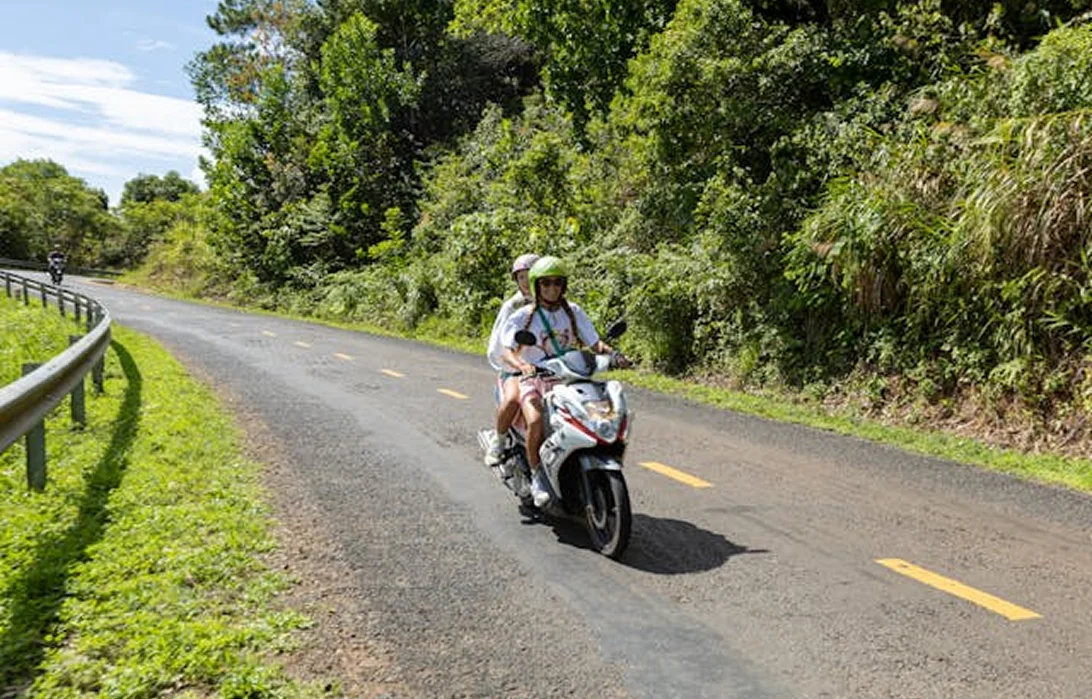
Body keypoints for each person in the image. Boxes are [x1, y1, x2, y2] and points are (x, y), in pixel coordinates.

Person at [500, 256, 622, 507]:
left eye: (557, 283)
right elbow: (506, 350)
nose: (552, 289)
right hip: (535, 379)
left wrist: (615, 356)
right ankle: (537, 476)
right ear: (537, 286)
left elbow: (594, 343)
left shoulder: (573, 312)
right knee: (535, 420)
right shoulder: (523, 316)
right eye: (546, 284)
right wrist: (523, 366)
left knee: (593, 416)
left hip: (569, 378)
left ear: (563, 286)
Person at [484, 253, 539, 470]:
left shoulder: (555, 303)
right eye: (521, 277)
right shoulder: (513, 307)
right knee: (513, 399)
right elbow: (500, 344)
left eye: (530, 276)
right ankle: (498, 441)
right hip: (516, 368)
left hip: (548, 369)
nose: (526, 282)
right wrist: (516, 365)